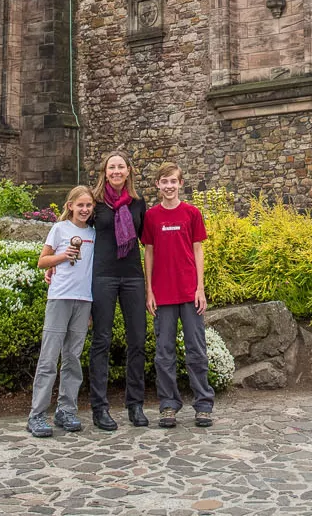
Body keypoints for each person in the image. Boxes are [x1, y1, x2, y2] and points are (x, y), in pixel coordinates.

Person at [142, 162, 214, 428]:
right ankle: (168, 405)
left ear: (181, 184)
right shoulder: (151, 217)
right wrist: (149, 290)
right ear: (158, 186)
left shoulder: (191, 213)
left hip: (189, 292)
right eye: (164, 182)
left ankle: (203, 404)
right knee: (164, 353)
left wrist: (200, 288)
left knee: (196, 350)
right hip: (162, 295)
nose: (169, 186)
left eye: (174, 181)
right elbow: (148, 253)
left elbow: (198, 250)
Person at [27, 185, 97, 438]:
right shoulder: (59, 229)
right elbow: (42, 261)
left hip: (83, 299)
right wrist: (60, 258)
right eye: (80, 205)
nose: (85, 209)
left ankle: (66, 410)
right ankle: (37, 414)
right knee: (49, 358)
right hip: (60, 298)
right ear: (70, 206)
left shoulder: (93, 233)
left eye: (89, 205)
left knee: (72, 358)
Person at [88, 149, 149, 430]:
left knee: (137, 340)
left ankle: (135, 404)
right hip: (103, 277)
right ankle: (99, 408)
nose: (116, 171)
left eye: (120, 167)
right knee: (101, 341)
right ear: (104, 172)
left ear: (128, 172)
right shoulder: (95, 203)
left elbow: (149, 244)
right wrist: (55, 263)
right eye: (111, 167)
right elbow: (74, 232)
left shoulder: (138, 203)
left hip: (133, 277)